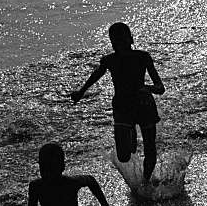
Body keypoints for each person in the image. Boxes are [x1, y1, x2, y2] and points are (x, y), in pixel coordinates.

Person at [71, 23, 166, 181]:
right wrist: (81, 92)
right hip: (123, 106)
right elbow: (96, 76)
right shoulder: (109, 60)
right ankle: (130, 131)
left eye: (121, 40)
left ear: (130, 39)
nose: (117, 44)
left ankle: (145, 181)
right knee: (123, 156)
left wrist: (148, 88)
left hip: (145, 106)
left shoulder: (143, 57)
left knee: (150, 149)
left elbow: (160, 87)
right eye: (114, 41)